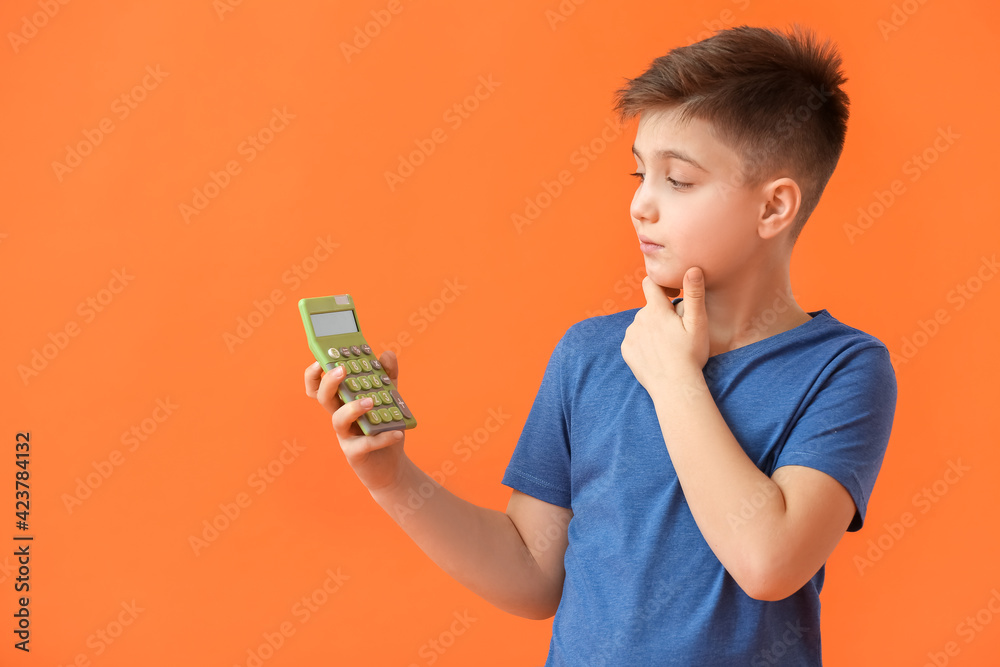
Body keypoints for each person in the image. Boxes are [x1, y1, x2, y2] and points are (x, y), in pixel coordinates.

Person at [304, 24, 897, 665]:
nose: (641, 204)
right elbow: (533, 573)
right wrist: (392, 478)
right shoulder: (589, 353)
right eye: (639, 173)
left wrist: (675, 380)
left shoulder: (843, 369)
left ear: (773, 208)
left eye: (679, 180)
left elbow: (768, 562)